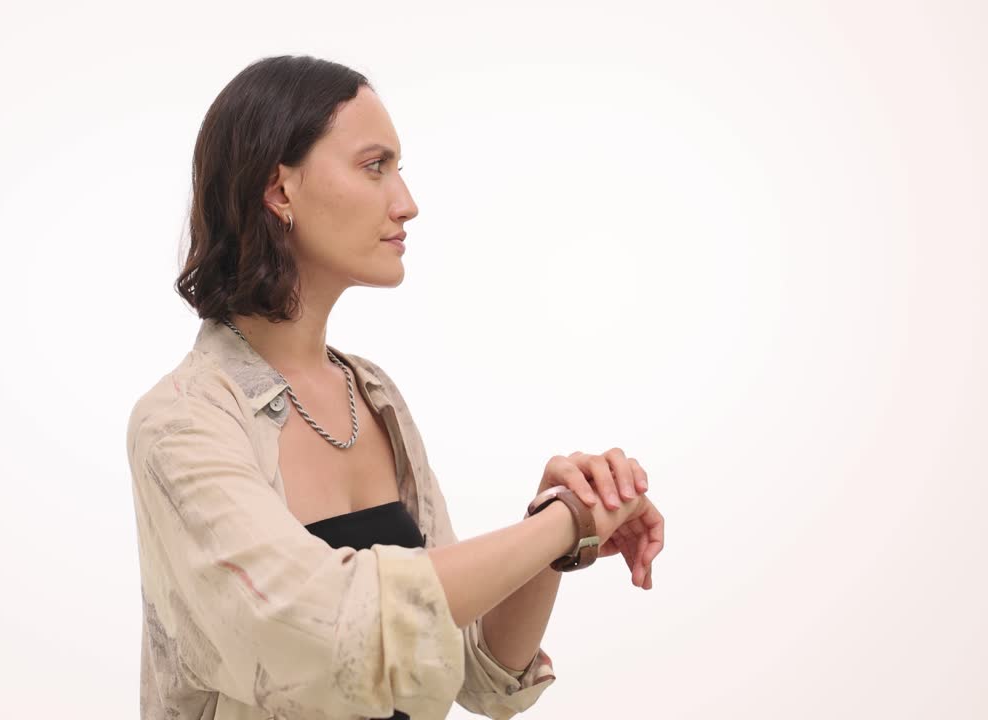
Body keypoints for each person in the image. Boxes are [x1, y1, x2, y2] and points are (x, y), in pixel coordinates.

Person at [126, 54, 665, 720]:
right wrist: (564, 527)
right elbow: (331, 638)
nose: (405, 203)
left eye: (398, 170)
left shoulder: (372, 396)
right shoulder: (181, 423)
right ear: (280, 190)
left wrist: (558, 516)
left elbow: (478, 669)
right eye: (373, 166)